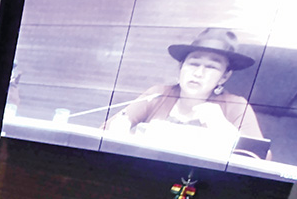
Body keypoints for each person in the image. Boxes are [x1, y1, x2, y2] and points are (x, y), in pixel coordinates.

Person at [104, 28, 264, 145]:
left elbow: (257, 158)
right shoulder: (158, 94)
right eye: (193, 63)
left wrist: (222, 128)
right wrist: (119, 130)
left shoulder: (236, 106)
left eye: (211, 67)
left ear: (224, 76)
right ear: (181, 67)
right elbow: (104, 131)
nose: (199, 73)